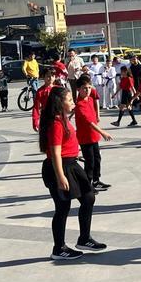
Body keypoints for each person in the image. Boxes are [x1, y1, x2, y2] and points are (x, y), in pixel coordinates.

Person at [39, 86, 105, 260]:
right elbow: (54, 153)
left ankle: (84, 238)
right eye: (69, 100)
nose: (72, 102)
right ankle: (59, 248)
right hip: (60, 167)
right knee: (62, 208)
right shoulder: (55, 123)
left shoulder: (63, 119)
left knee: (89, 197)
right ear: (60, 103)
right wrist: (60, 176)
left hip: (72, 165)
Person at [74, 74, 113, 192]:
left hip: (93, 136)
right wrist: (103, 132)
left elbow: (93, 118)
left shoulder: (90, 99)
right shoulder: (79, 105)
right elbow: (89, 122)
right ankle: (87, 185)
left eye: (89, 88)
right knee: (89, 162)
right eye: (84, 88)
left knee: (97, 159)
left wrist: (98, 116)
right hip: (85, 138)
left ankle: (96, 181)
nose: (87, 90)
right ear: (78, 89)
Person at [32, 68, 58, 132]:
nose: (50, 78)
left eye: (53, 76)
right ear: (43, 77)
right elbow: (36, 107)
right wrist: (35, 121)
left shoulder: (58, 89)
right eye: (48, 76)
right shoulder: (40, 91)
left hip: (57, 116)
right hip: (46, 117)